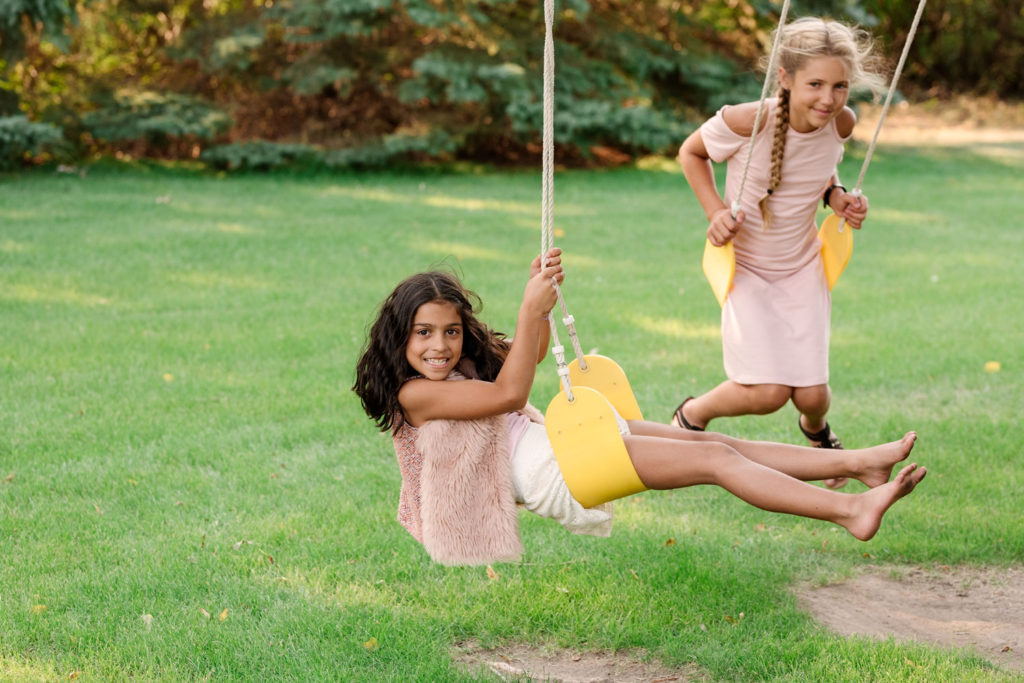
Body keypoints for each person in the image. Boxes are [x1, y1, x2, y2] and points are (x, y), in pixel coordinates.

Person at [352, 248, 926, 564]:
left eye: (451, 332)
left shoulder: (461, 365)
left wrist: (538, 302)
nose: (440, 346)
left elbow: (523, 358)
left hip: (565, 442)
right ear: (398, 336)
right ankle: (851, 512)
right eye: (424, 333)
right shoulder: (414, 395)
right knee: (717, 464)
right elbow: (512, 395)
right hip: (557, 469)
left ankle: (855, 465)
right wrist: (530, 312)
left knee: (717, 443)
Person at [671, 17, 890, 488]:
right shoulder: (750, 120)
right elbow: (690, 152)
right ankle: (692, 414)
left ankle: (816, 431)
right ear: (785, 78)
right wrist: (714, 211)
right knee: (768, 392)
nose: (828, 99)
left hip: (800, 268)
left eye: (839, 86)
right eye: (815, 84)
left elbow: (822, 174)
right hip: (746, 266)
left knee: (812, 395)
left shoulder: (841, 124)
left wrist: (839, 199)